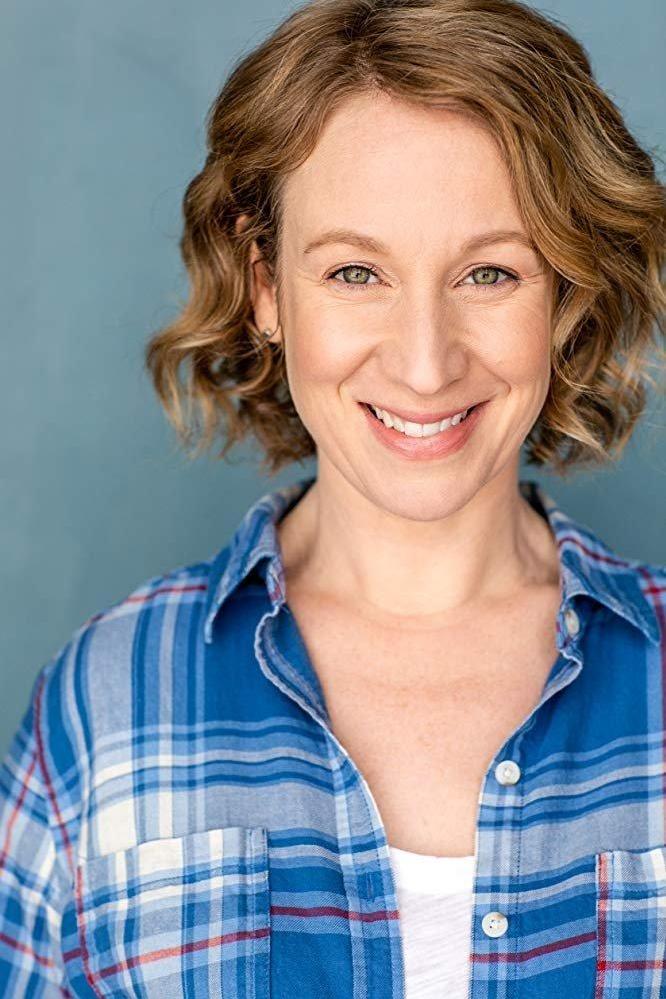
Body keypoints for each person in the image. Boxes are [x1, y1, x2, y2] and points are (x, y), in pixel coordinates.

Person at [1, 0, 664, 996]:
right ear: (267, 287)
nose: (425, 363)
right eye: (357, 271)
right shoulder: (105, 707)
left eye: (489, 272)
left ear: (567, 294)